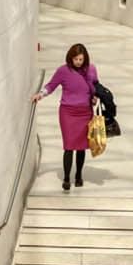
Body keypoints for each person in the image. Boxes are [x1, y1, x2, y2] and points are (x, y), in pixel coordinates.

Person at [32, 42, 98, 190]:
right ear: (70, 58)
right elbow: (51, 85)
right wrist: (41, 94)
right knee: (69, 146)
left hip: (85, 112)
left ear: (85, 58)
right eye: (76, 59)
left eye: (81, 59)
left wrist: (95, 97)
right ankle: (67, 178)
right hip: (68, 113)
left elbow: (95, 88)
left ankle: (79, 175)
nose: (78, 62)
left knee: (81, 147)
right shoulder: (63, 71)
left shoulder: (91, 70)